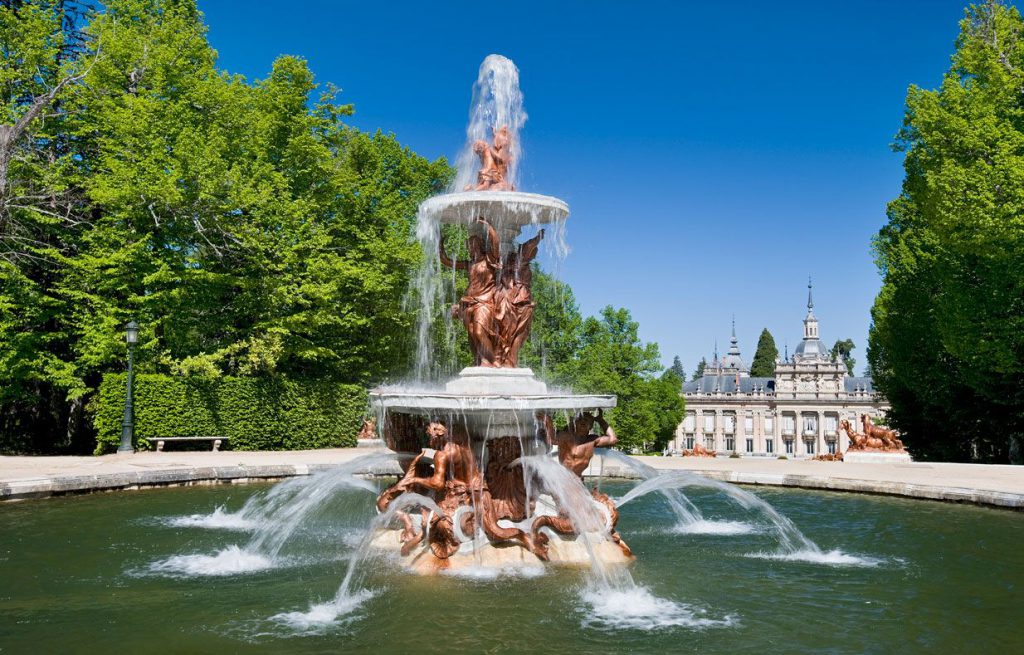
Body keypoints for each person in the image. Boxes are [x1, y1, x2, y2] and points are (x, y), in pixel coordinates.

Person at [439, 217, 501, 366]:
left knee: (480, 332)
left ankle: (493, 360)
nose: (470, 249)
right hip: (468, 303)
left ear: (479, 246)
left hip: (484, 302)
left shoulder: (489, 260)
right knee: (472, 334)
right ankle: (479, 360)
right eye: (469, 246)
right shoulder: (470, 264)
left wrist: (489, 226)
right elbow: (446, 261)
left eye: (472, 245)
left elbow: (496, 245)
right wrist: (439, 244)